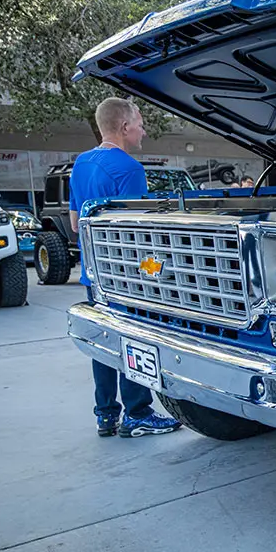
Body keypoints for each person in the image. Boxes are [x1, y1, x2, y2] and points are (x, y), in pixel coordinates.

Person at [69, 97, 182, 438]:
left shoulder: (81, 163)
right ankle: (138, 413)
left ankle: (106, 415)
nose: (143, 132)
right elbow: (137, 234)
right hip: (126, 277)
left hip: (94, 273)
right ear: (124, 127)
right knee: (134, 340)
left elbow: (75, 223)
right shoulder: (130, 169)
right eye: (140, 125)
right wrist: (160, 270)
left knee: (102, 340)